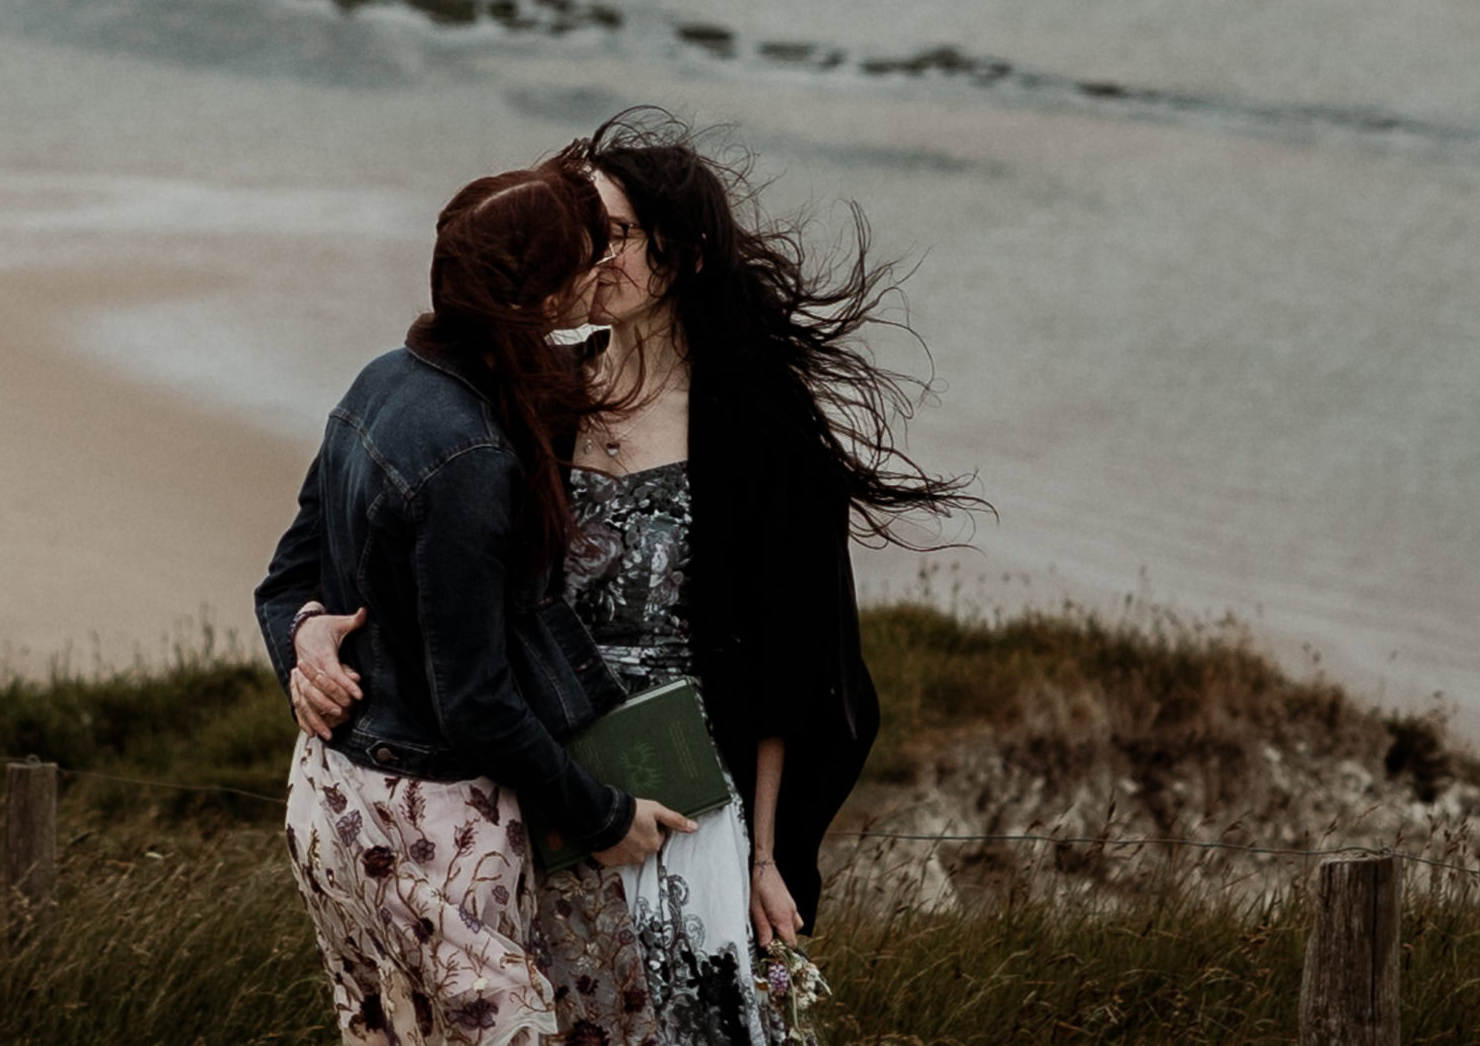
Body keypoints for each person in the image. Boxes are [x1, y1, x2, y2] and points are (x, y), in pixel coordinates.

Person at [293, 111, 981, 1046]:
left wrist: (767, 857)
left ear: (683, 258)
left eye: (610, 236)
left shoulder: (758, 427)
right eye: (582, 235)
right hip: (534, 773)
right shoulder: (532, 382)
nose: (588, 255)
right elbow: (401, 560)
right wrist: (308, 633)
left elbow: (791, 661)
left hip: (683, 791)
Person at [256, 152, 703, 1046]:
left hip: (328, 802)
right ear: (543, 305)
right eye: (587, 259)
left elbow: (284, 578)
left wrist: (301, 631)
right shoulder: (468, 457)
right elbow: (476, 701)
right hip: (429, 831)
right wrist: (604, 815)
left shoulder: (384, 378)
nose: (600, 273)